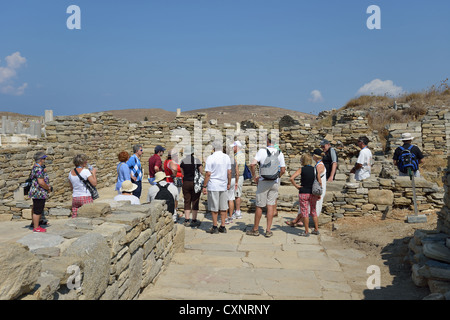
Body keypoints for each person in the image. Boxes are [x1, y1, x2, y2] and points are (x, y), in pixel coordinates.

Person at [246, 134, 286, 238]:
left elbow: (252, 164)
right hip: (274, 182)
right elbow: (283, 170)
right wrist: (277, 176)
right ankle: (268, 230)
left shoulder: (262, 151)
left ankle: (255, 229)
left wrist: (255, 176)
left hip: (263, 181)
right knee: (271, 205)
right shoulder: (280, 153)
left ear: (267, 141)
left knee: (259, 205)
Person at [288, 153, 321, 236]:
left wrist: (297, 186)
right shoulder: (315, 169)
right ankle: (316, 229)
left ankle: (306, 231)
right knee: (313, 211)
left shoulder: (301, 169)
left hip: (303, 192)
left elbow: (291, 178)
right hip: (313, 193)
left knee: (305, 212)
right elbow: (319, 182)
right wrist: (319, 193)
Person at [202, 140, 231, 234]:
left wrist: (204, 185)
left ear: (213, 148)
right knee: (223, 206)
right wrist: (229, 183)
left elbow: (208, 173)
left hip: (213, 185)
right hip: (223, 184)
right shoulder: (226, 157)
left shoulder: (210, 158)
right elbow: (229, 172)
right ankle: (223, 226)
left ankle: (215, 226)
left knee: (214, 207)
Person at [180, 146, 203, 228]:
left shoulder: (183, 161)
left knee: (187, 200)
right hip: (195, 182)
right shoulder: (197, 161)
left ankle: (186, 219)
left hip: (186, 182)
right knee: (195, 200)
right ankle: (194, 219)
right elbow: (201, 171)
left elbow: (182, 173)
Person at [29, 151, 52, 232]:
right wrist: (48, 188)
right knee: (38, 209)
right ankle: (36, 227)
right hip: (39, 192)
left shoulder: (36, 167)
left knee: (36, 207)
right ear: (40, 159)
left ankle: (34, 222)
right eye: (44, 158)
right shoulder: (39, 169)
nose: (45, 160)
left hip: (35, 191)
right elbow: (41, 182)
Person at [68, 154, 97, 218]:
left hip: (75, 197)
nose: (86, 162)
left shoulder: (70, 173)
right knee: (88, 216)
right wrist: (94, 173)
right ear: (82, 162)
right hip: (85, 196)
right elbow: (94, 183)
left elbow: (71, 187)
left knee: (75, 216)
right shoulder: (85, 171)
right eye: (85, 161)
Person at [231, 141, 245, 220]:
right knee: (236, 194)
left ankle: (237, 211)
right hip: (239, 177)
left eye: (233, 147)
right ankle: (236, 211)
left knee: (237, 195)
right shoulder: (240, 155)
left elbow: (237, 170)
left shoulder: (238, 156)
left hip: (238, 177)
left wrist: (236, 181)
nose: (232, 148)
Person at [226, 147, 239, 224]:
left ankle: (225, 217)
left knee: (225, 200)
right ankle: (230, 216)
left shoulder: (224, 160)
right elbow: (237, 172)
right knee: (231, 198)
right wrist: (237, 182)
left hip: (227, 179)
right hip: (234, 179)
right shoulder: (234, 160)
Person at [312, 149, 326, 218]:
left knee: (317, 204)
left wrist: (320, 190)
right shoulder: (318, 165)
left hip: (318, 188)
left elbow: (319, 179)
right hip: (317, 187)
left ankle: (315, 223)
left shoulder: (319, 166)